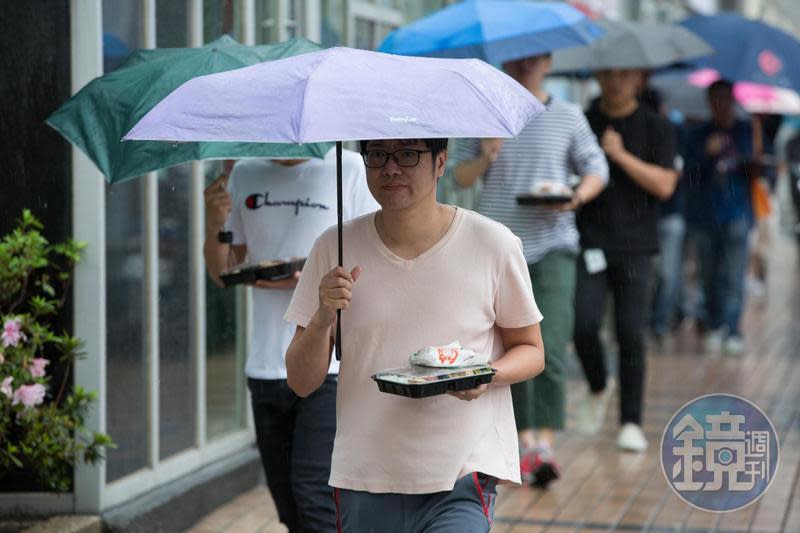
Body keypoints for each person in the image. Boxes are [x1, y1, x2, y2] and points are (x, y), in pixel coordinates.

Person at [283, 138, 545, 532]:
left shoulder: (493, 244)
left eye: (408, 154)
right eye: (377, 155)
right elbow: (301, 382)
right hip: (365, 476)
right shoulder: (333, 248)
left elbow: (531, 349)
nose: (391, 168)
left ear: (441, 162)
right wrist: (322, 317)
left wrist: (484, 375)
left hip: (461, 476)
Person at [451, 53, 608, 488]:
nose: (524, 65)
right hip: (496, 248)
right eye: (516, 57)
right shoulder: (486, 115)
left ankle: (545, 444)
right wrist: (484, 154)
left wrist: (574, 198)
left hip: (554, 244)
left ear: (548, 62)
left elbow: (597, 168)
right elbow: (459, 178)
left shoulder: (569, 115)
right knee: (509, 351)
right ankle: (521, 443)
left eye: (534, 58)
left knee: (551, 346)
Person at [203, 148, 378, 533]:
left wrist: (322, 282)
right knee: (288, 506)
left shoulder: (346, 168)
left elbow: (372, 260)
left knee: (315, 497)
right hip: (266, 362)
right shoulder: (245, 173)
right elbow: (223, 272)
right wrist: (214, 220)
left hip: (329, 365)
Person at [573, 68, 678, 452]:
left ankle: (630, 421)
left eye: (623, 75)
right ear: (598, 76)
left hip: (636, 245)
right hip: (588, 242)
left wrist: (619, 155)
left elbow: (665, 185)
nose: (614, 81)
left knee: (631, 333)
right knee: (582, 325)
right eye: (606, 73)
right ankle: (599, 384)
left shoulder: (656, 126)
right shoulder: (582, 121)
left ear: (637, 78)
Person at [684, 80, 754, 355]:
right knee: (709, 274)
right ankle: (714, 324)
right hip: (704, 215)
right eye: (715, 99)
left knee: (733, 275)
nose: (721, 104)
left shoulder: (746, 131)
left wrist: (748, 161)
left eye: (725, 99)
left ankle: (732, 327)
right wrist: (706, 154)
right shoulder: (698, 134)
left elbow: (760, 170)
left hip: (737, 213)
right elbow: (686, 175)